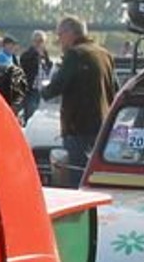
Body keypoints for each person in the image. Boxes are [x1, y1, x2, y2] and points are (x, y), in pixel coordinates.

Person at [41, 15, 117, 186]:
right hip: (104, 125)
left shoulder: (75, 54)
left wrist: (42, 91)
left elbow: (57, 86)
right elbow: (115, 89)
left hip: (78, 126)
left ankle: (83, 211)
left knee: (78, 178)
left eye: (60, 34)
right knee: (98, 176)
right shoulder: (105, 54)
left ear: (71, 33)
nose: (58, 40)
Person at [16, 30, 50, 122]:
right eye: (36, 41)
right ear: (33, 41)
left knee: (41, 116)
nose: (38, 43)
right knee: (30, 114)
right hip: (30, 90)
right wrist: (36, 54)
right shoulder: (27, 54)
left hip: (42, 89)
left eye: (41, 41)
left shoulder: (45, 54)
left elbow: (48, 68)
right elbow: (23, 65)